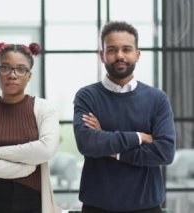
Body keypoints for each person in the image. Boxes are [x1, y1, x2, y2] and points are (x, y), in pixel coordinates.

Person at [73, 21, 176, 213]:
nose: (119, 55)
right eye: (111, 50)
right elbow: (87, 143)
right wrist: (139, 137)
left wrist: (111, 146)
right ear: (102, 55)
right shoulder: (87, 96)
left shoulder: (157, 99)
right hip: (97, 206)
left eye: (126, 49)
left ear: (137, 55)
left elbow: (165, 152)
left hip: (147, 207)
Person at [0, 42, 61, 213]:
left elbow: (45, 150)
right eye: (5, 68)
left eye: (21, 69)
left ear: (29, 76)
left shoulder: (44, 109)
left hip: (32, 201)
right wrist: (22, 169)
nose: (12, 75)